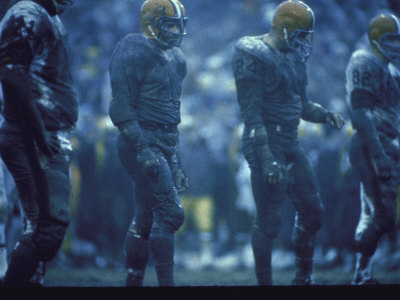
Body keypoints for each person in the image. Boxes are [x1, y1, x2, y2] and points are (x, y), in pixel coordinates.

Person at [231, 0, 345, 285]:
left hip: (290, 141)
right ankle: (265, 284)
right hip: (264, 141)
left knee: (313, 212)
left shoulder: (294, 59)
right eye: (300, 34)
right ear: (283, 29)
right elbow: (251, 114)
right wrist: (267, 157)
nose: (304, 42)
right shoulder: (253, 52)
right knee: (268, 220)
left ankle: (303, 278)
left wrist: (325, 115)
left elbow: (302, 105)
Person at [109, 0, 188, 286]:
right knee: (170, 213)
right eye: (169, 23)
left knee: (145, 217)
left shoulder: (177, 58)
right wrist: (142, 148)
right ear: (151, 22)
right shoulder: (133, 47)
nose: (176, 31)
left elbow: (172, 116)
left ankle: (134, 282)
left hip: (163, 141)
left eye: (179, 24)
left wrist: (176, 162)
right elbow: (121, 106)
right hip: (141, 138)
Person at [0, 0, 78, 286]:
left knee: (42, 229)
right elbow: (11, 73)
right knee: (46, 231)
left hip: (43, 130)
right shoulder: (27, 12)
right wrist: (38, 130)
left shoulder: (45, 16)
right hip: (32, 133)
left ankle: (32, 282)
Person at [345, 13, 400, 285]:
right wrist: (378, 153)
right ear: (374, 39)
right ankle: (360, 274)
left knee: (381, 215)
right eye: (389, 39)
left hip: (389, 142)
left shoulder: (393, 69)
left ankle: (361, 273)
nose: (395, 45)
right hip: (371, 142)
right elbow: (360, 114)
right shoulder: (363, 61)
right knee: (381, 215)